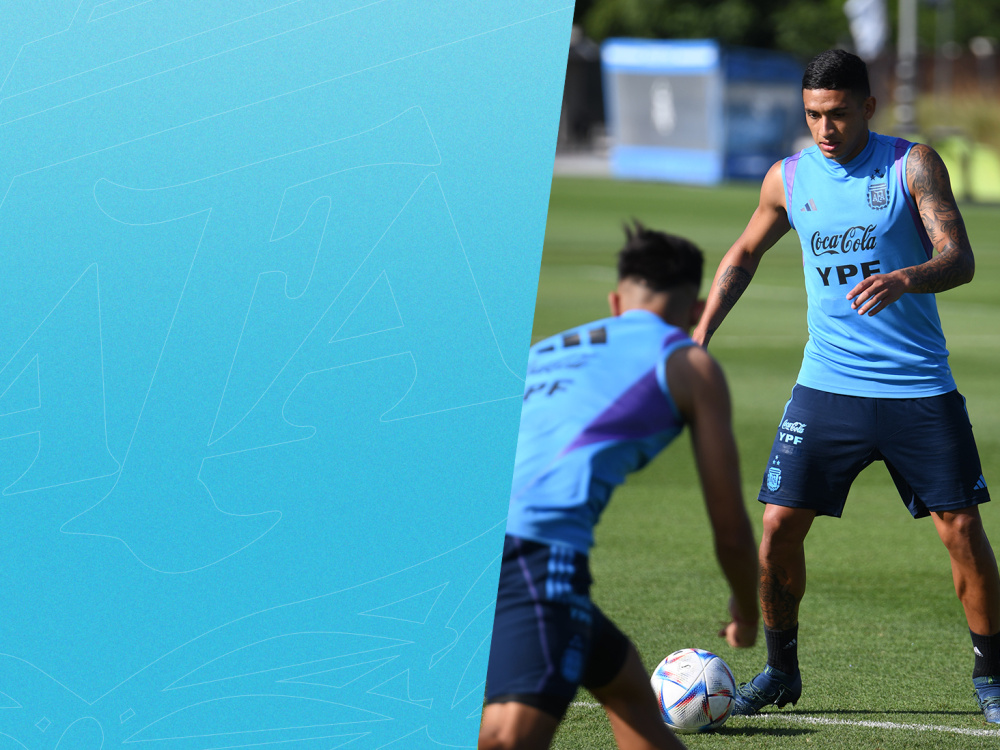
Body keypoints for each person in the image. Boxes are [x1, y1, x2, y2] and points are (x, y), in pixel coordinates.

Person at [692, 48, 1000, 723]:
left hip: (917, 386)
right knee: (777, 527)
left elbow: (960, 258)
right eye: (812, 115)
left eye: (836, 113)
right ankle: (780, 670)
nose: (824, 128)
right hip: (826, 386)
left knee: (960, 530)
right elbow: (744, 254)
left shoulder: (910, 165)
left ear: (867, 106)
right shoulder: (789, 176)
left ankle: (992, 679)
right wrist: (701, 334)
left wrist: (905, 277)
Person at [478, 223, 760, 750]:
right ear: (697, 310)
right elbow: (730, 529)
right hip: (533, 553)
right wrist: (746, 611)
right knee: (506, 738)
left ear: (615, 301)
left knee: (629, 691)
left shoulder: (543, 350)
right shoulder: (688, 364)